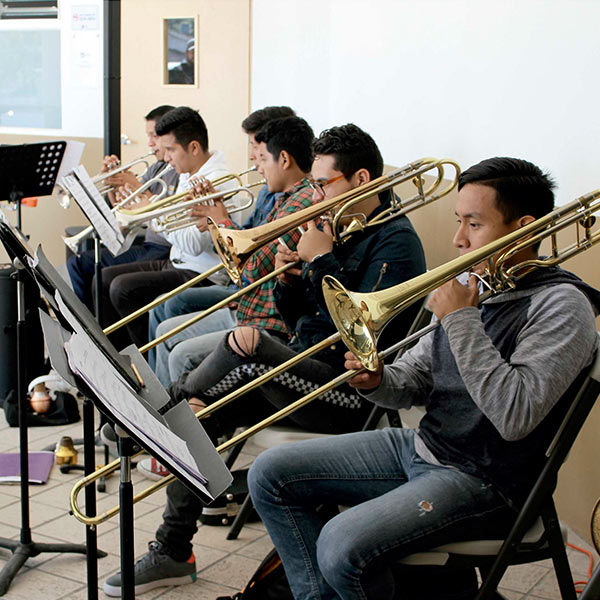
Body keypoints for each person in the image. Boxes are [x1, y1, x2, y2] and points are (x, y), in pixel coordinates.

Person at [247, 157, 600, 600]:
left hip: (486, 480)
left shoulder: (563, 306)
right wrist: (378, 379)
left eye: (474, 224)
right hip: (424, 447)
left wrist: (462, 319)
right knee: (269, 474)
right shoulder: (479, 285)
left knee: (340, 544)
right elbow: (410, 381)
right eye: (458, 221)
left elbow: (515, 415)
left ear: (523, 228)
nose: (457, 239)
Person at [103, 123, 427, 597]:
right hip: (302, 366)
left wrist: (318, 265)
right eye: (313, 183)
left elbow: (357, 337)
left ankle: (153, 415)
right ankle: (173, 549)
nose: (315, 194)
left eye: (323, 183)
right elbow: (302, 322)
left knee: (247, 344)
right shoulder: (338, 226)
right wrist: (289, 282)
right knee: (198, 418)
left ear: (360, 181)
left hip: (348, 391)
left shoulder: (396, 243)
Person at [147, 105, 297, 384]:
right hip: (241, 289)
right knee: (161, 309)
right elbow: (245, 240)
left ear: (282, 153)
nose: (253, 160)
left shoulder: (296, 202)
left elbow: (250, 267)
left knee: (167, 312)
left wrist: (220, 222)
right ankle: (159, 398)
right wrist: (218, 223)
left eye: (259, 151)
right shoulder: (267, 193)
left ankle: (177, 408)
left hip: (252, 301)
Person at [98, 106, 238, 349]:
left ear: (193, 148)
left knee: (123, 288)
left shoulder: (216, 181)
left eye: (171, 150)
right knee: (105, 276)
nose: (165, 157)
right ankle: (116, 356)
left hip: (204, 273)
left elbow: (194, 245)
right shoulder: (186, 172)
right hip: (177, 260)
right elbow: (139, 215)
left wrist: (154, 209)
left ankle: (142, 359)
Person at [66, 105, 179, 312]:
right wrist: (114, 182)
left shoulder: (180, 170)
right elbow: (126, 208)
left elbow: (169, 217)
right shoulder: (156, 167)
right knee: (77, 264)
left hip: (166, 249)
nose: (150, 144)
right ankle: (85, 324)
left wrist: (135, 185)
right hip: (147, 245)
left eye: (154, 136)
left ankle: (105, 334)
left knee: (106, 276)